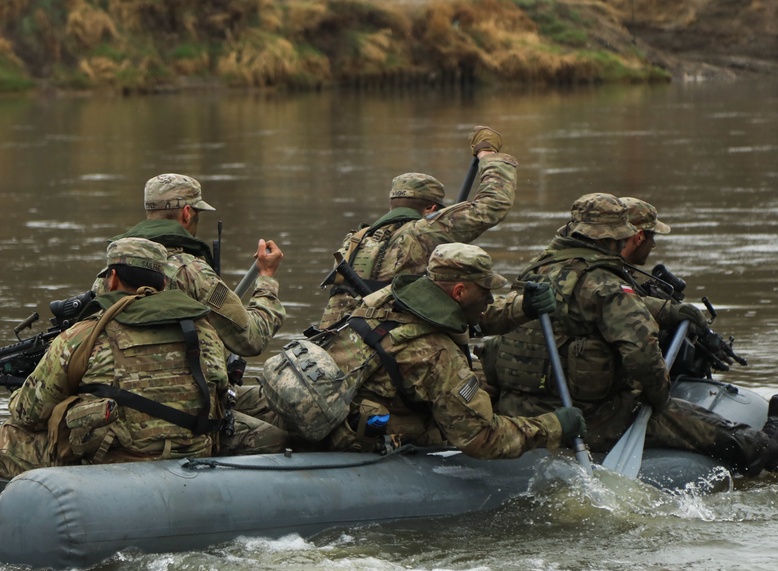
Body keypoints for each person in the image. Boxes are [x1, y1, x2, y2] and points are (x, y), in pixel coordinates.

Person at [488, 193, 778, 476]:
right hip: (593, 419)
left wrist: (665, 310)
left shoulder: (536, 271)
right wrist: (659, 398)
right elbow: (642, 354)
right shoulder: (606, 284)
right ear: (616, 238)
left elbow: (574, 307)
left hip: (519, 409)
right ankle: (770, 451)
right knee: (685, 418)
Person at [241, 243, 587, 459]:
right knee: (460, 415)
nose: (491, 300)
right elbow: (481, 439)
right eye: (486, 292)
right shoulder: (438, 357)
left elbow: (467, 319)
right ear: (460, 292)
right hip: (353, 433)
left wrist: (520, 308)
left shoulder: (387, 299)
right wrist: (552, 427)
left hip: (330, 394)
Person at [0, 238, 288, 479]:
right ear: (161, 282)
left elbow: (28, 413)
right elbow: (220, 393)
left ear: (113, 278)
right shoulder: (204, 332)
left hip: (109, 464)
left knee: (7, 436)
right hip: (194, 455)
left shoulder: (84, 335)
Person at [316, 125, 518, 329]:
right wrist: (488, 154)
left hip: (338, 340)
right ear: (430, 208)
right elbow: (493, 205)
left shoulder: (357, 240)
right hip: (387, 345)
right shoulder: (420, 234)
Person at [99, 173, 286, 357]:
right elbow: (252, 339)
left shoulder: (109, 272)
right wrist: (266, 278)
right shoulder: (194, 273)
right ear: (187, 213)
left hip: (115, 385)